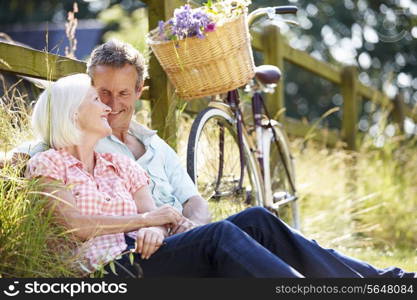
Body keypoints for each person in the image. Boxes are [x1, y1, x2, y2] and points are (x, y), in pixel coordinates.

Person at [16, 40, 415, 278]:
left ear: (138, 92)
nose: (109, 106)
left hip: (154, 247)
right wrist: (149, 222)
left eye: (121, 95)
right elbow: (73, 218)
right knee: (221, 236)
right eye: (98, 97)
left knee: (259, 218)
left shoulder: (126, 160)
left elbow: (163, 211)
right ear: (74, 112)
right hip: (110, 270)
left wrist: (162, 225)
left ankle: (382, 282)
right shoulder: (50, 158)